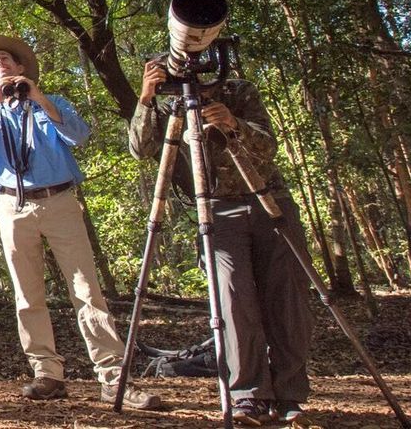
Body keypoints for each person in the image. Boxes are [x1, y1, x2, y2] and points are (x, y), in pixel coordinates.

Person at [0, 36, 161, 409]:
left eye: (5, 60)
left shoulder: (52, 105)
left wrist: (39, 98)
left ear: (21, 69)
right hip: (12, 206)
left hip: (60, 201)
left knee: (86, 289)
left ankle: (113, 377)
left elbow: (79, 136)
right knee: (27, 294)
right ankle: (47, 373)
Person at [132, 59, 313, 425]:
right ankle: (247, 395)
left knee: (288, 299)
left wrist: (232, 123)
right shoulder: (172, 103)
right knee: (231, 299)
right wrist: (146, 98)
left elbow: (268, 147)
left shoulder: (239, 91)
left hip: (269, 200)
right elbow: (140, 148)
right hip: (216, 209)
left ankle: (290, 395)